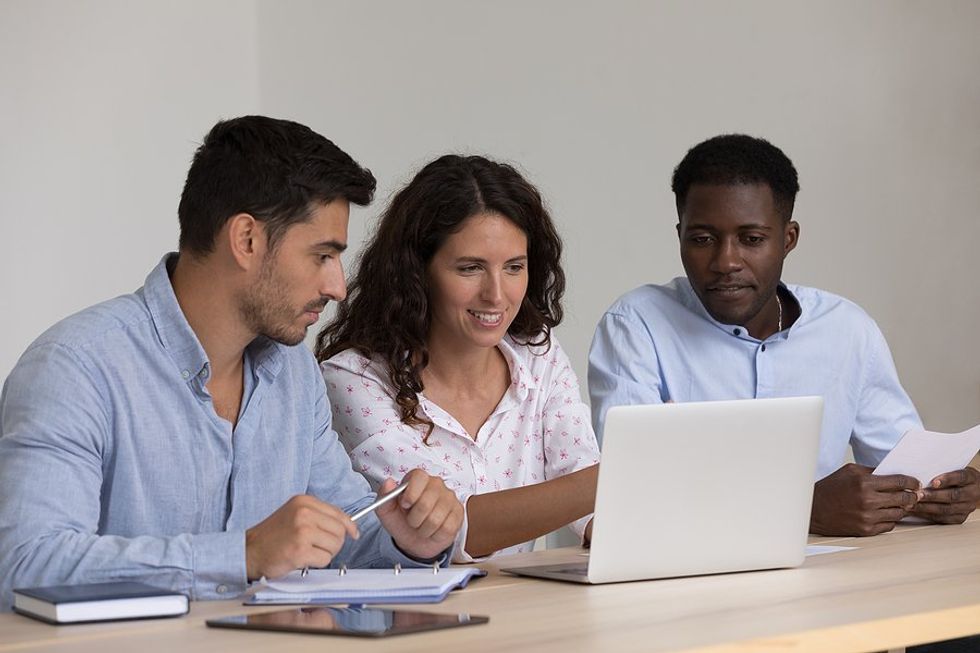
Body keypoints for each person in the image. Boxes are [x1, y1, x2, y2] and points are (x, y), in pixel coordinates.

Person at [0, 116, 463, 610]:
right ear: (246, 239)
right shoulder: (74, 368)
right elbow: (26, 563)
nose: (338, 287)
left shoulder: (294, 373)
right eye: (322, 256)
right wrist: (241, 555)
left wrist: (406, 539)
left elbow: (341, 525)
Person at [589, 134, 979, 537]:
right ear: (680, 236)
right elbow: (634, 494)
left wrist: (944, 491)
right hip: (682, 580)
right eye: (702, 239)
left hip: (825, 577)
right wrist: (802, 509)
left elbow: (904, 475)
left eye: (752, 239)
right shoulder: (636, 326)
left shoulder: (846, 330)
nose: (726, 262)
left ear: (788, 239)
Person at [315, 154, 600, 562]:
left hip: (524, 607)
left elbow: (580, 480)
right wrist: (621, 478)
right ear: (416, 272)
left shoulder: (540, 354)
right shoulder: (352, 379)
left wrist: (610, 518)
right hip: (409, 614)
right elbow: (448, 529)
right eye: (470, 268)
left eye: (514, 267)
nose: (497, 295)